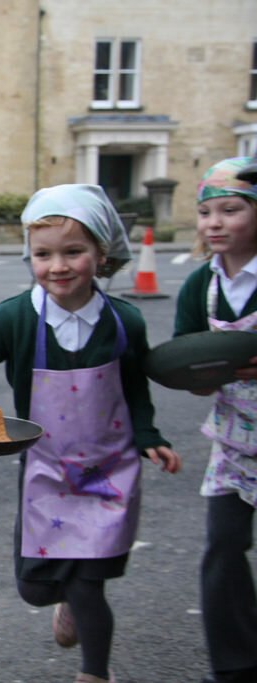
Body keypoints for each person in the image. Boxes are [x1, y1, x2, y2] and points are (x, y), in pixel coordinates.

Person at [0, 184, 182, 683]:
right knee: (36, 587)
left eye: (74, 252)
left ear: (101, 253)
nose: (58, 266)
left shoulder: (124, 322)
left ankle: (95, 673)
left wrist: (149, 434)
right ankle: (65, 599)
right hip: (46, 468)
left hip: (109, 469)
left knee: (90, 583)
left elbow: (135, 389)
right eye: (43, 254)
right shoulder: (13, 317)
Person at [174, 157, 257, 683]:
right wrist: (199, 378)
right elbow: (185, 364)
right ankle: (235, 666)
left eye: (231, 209)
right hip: (234, 441)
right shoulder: (198, 286)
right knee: (223, 550)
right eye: (206, 212)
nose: (215, 223)